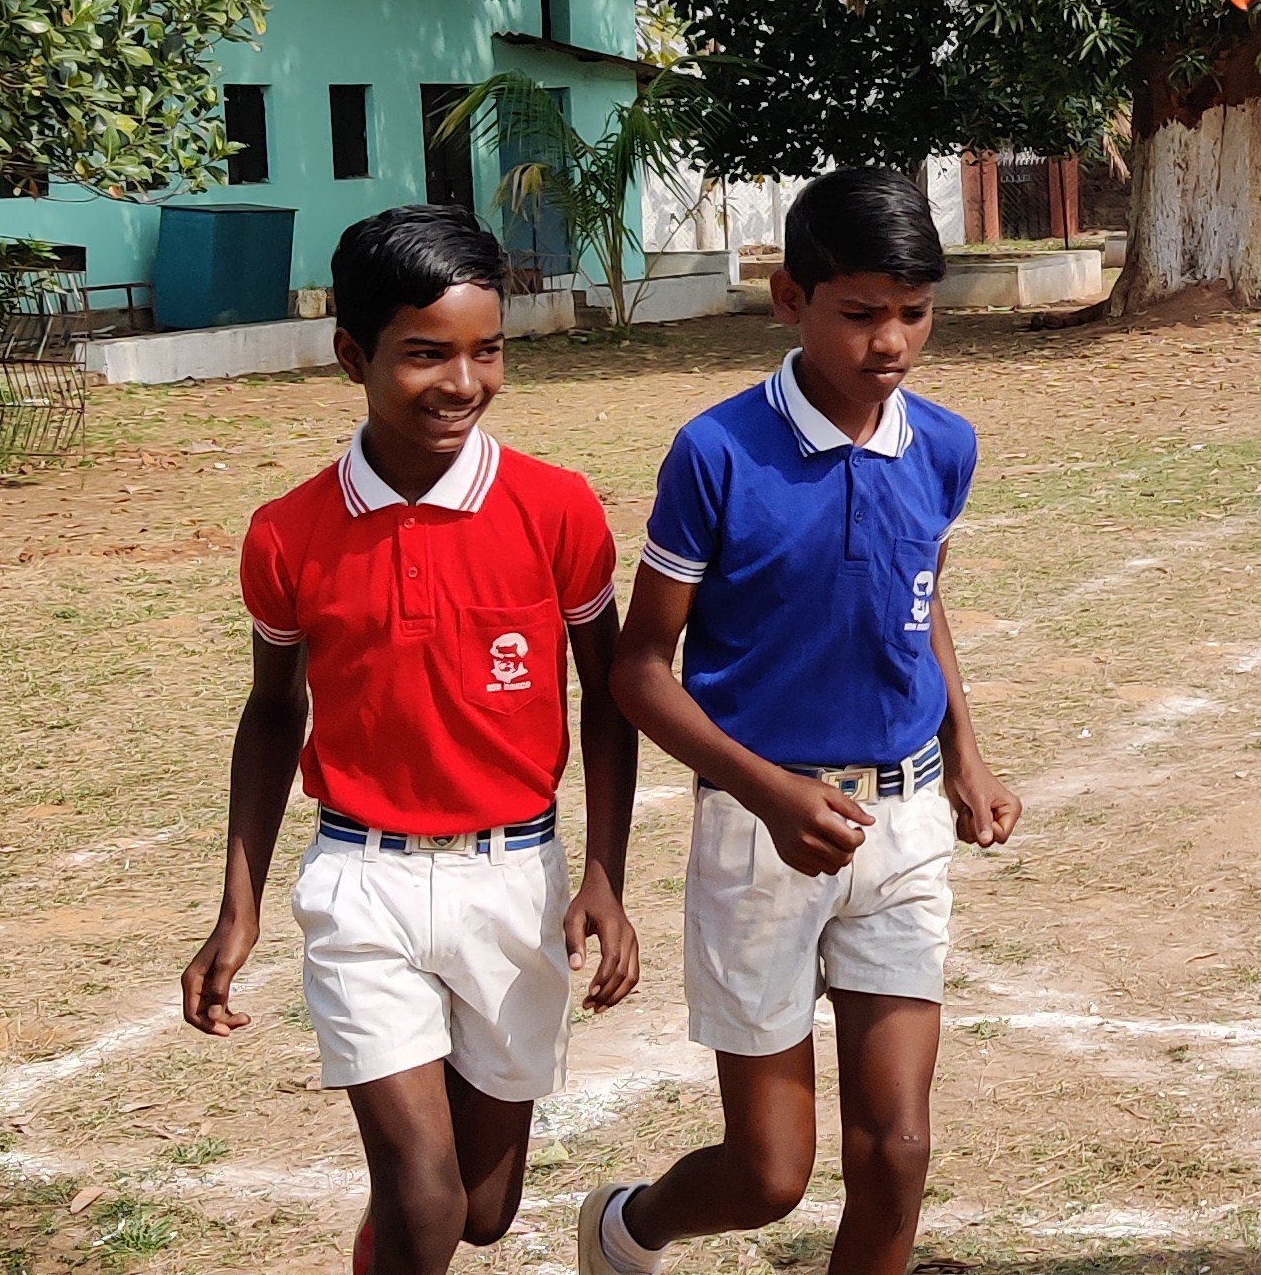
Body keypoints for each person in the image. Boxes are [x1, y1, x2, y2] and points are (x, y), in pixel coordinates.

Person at [183, 206, 640, 1275]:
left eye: (487, 351)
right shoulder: (288, 532)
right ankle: (400, 1225)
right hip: (363, 884)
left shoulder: (556, 509)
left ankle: (386, 1240)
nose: (462, 382)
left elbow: (610, 696)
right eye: (425, 354)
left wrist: (606, 877)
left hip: (515, 883)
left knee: (481, 1209)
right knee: (425, 1194)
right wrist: (239, 906)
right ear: (353, 355)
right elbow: (272, 712)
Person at [583, 169, 1023, 1275]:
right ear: (790, 298)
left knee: (898, 1151)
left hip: (902, 827)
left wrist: (965, 754)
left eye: (914, 313)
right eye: (861, 312)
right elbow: (640, 670)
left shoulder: (944, 446)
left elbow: (919, 602)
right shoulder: (717, 453)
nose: (892, 342)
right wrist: (768, 792)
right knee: (770, 1175)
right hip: (758, 831)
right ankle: (626, 1228)